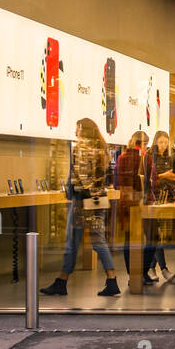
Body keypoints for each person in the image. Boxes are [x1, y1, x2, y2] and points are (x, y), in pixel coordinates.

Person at [40, 118, 119, 297]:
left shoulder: (81, 148)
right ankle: (109, 279)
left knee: (73, 242)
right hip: (99, 199)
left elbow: (81, 177)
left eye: (77, 128)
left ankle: (63, 282)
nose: (75, 132)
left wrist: (76, 195)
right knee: (98, 241)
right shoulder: (102, 148)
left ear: (82, 130)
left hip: (83, 201)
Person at [144, 130, 175, 284]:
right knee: (155, 236)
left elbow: (171, 177)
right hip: (153, 199)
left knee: (158, 236)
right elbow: (150, 178)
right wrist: (164, 175)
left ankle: (151, 269)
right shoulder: (149, 157)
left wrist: (172, 178)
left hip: (167, 199)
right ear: (155, 141)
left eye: (166, 142)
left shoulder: (168, 157)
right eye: (161, 142)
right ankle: (163, 269)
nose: (164, 145)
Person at [115, 131, 151, 285]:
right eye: (145, 144)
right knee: (148, 239)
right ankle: (139, 273)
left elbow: (117, 182)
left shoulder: (123, 157)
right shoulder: (143, 158)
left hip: (128, 203)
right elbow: (150, 179)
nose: (146, 148)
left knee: (131, 240)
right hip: (139, 203)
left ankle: (134, 275)